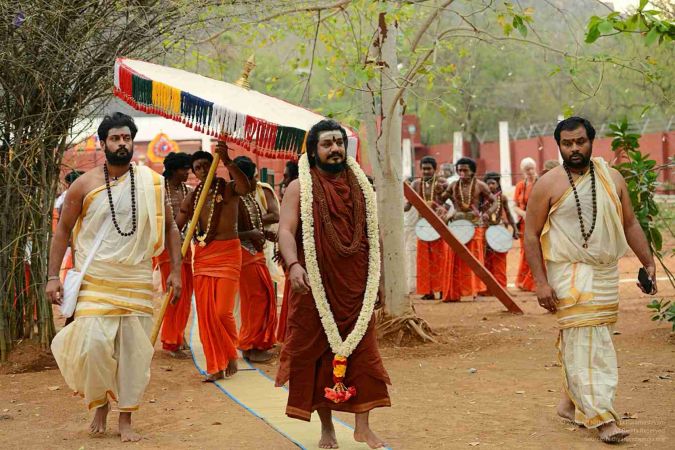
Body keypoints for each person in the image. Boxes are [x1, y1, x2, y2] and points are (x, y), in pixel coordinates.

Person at [47, 112, 183, 442]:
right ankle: (100, 403)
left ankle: (126, 418)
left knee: (132, 352)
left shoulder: (152, 182)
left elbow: (170, 227)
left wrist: (176, 272)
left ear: (132, 142)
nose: (121, 143)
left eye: (126, 138)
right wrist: (52, 277)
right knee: (93, 345)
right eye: (115, 138)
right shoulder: (84, 184)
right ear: (103, 143)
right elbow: (62, 230)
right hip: (96, 278)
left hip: (135, 277)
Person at [524, 117, 658, 443]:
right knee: (589, 342)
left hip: (605, 271)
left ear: (591, 141)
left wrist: (648, 262)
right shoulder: (548, 184)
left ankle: (569, 404)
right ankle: (602, 418)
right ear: (559, 145)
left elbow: (629, 223)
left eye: (580, 142)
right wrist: (540, 282)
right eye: (567, 143)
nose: (574, 148)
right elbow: (530, 234)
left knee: (589, 339)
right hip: (569, 271)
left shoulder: (612, 178)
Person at [276, 119, 390, 449]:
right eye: (327, 144)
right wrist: (294, 264)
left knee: (364, 355)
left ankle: (363, 428)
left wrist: (379, 280)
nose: (335, 148)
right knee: (319, 357)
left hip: (356, 287)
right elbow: (285, 230)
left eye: (339, 143)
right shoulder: (299, 187)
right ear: (313, 151)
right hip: (315, 286)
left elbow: (374, 236)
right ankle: (327, 428)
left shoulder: (361, 185)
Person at [175, 146, 251, 381]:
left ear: (214, 166)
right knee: (206, 314)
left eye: (206, 165)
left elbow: (245, 187)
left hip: (228, 254)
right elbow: (178, 224)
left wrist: (228, 160)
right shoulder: (193, 197)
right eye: (197, 167)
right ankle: (216, 366)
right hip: (203, 256)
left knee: (221, 311)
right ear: (194, 172)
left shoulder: (228, 188)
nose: (202, 170)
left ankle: (230, 352)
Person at [234, 156, 278, 362]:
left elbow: (258, 222)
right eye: (253, 178)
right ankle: (251, 346)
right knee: (256, 301)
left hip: (256, 254)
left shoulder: (250, 196)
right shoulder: (233, 199)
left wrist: (264, 233)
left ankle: (255, 344)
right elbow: (226, 232)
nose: (256, 182)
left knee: (261, 299)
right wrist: (251, 234)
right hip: (245, 255)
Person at [154, 152, 193, 358]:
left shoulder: (189, 190)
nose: (188, 172)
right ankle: (171, 341)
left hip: (187, 248)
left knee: (186, 293)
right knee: (174, 293)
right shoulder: (159, 190)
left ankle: (178, 334)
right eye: (184, 169)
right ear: (173, 170)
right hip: (167, 248)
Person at [441, 157, 492, 302]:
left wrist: (487, 213)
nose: (462, 173)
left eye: (465, 170)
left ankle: (475, 292)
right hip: (456, 226)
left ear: (473, 172)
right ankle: (454, 292)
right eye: (459, 170)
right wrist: (445, 211)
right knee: (455, 258)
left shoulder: (480, 185)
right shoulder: (453, 186)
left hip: (474, 225)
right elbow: (441, 200)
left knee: (475, 258)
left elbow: (494, 201)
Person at [404, 156, 449, 300]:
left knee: (439, 259)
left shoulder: (442, 183)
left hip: (438, 226)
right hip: (421, 226)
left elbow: (450, 202)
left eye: (429, 169)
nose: (426, 171)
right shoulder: (416, 184)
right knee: (424, 260)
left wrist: (442, 210)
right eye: (423, 169)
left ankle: (442, 289)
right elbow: (408, 206)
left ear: (435, 169)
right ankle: (427, 291)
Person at [481, 172, 519, 289]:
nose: (491, 186)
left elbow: (509, 214)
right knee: (486, 258)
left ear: (498, 184)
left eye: (493, 183)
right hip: (485, 231)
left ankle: (501, 287)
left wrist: (515, 229)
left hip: (499, 230)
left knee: (500, 259)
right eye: (488, 184)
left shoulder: (502, 198)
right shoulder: (481, 198)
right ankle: (486, 288)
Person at [276, 160, 300, 343]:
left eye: (286, 176)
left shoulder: (302, 193)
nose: (283, 181)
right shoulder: (291, 193)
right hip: (293, 259)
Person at [513, 157, 538, 292]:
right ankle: (523, 281)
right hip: (524, 223)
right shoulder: (520, 185)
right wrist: (523, 214)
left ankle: (533, 282)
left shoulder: (540, 182)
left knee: (536, 250)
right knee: (525, 251)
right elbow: (515, 206)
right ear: (523, 171)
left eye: (532, 168)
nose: (530, 172)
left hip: (538, 222)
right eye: (527, 169)